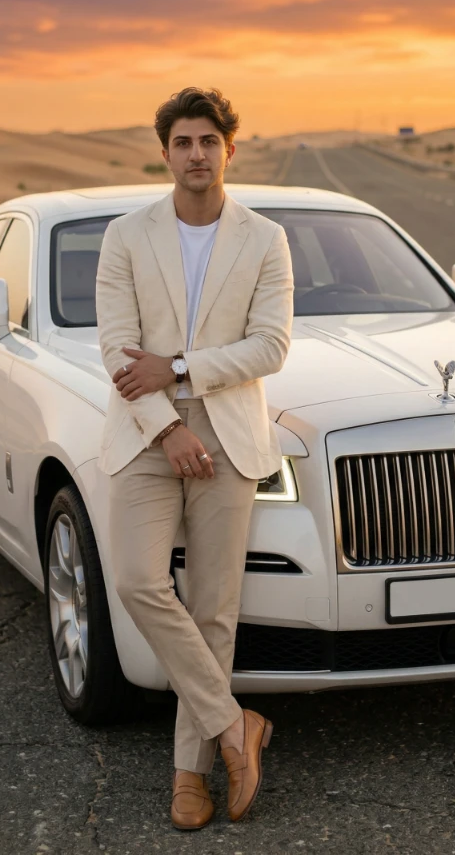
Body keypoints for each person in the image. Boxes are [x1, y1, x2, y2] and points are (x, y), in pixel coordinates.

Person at [95, 86, 294, 829]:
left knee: (213, 610)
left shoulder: (262, 237)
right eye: (182, 142)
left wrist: (178, 370)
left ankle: (190, 777)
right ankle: (232, 723)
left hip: (229, 435)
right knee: (140, 581)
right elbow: (116, 348)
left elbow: (269, 345)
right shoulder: (126, 235)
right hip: (146, 436)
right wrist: (167, 426)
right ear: (165, 151)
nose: (195, 155)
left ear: (228, 149)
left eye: (208, 141)